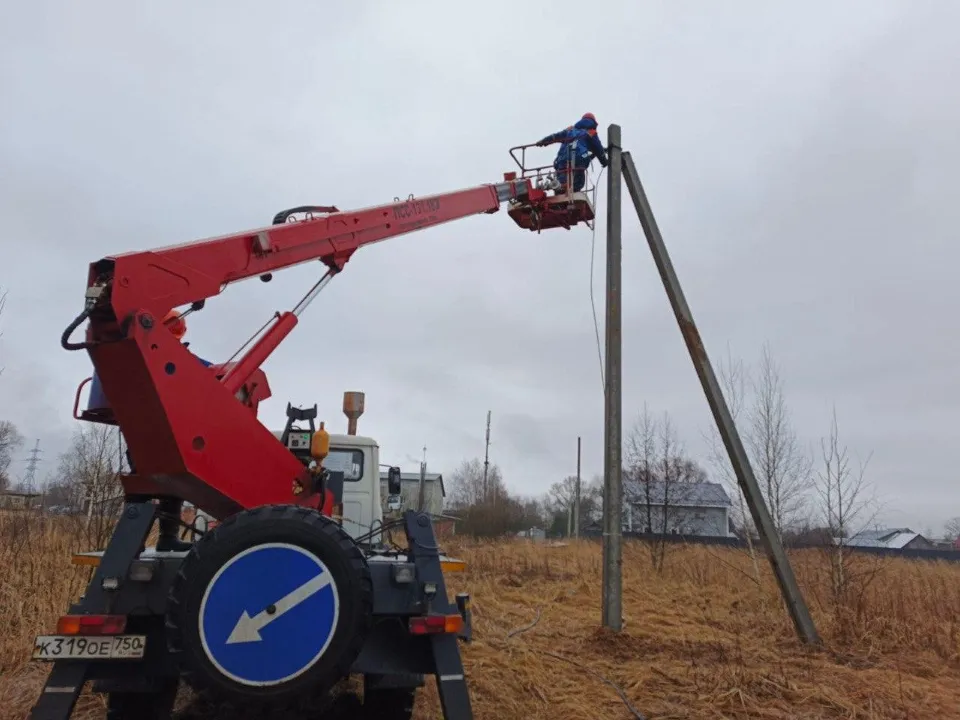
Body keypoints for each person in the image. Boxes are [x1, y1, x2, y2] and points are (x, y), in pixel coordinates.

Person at [536, 113, 609, 194]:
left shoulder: (570, 130)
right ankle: (565, 189)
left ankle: (561, 188)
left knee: (560, 186)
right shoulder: (591, 132)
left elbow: (556, 136)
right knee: (577, 184)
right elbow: (598, 148)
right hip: (578, 161)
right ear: (593, 122)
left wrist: (544, 141)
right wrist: (604, 161)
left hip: (562, 162)